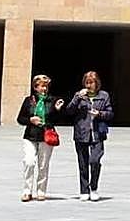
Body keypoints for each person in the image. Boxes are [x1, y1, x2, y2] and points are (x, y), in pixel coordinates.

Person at [15, 74, 65, 202]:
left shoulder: (53, 100)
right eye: (41, 86)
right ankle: (27, 191)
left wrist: (57, 110)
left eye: (46, 86)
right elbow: (20, 119)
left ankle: (41, 191)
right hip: (30, 135)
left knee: (43, 165)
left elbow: (57, 120)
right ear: (35, 87)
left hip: (46, 136)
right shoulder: (28, 101)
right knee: (29, 161)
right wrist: (31, 120)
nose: (44, 89)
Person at [67, 70, 113, 202]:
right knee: (82, 163)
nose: (89, 85)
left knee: (94, 160)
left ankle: (93, 188)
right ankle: (84, 190)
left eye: (91, 82)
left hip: (98, 133)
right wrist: (76, 98)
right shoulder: (79, 96)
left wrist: (99, 114)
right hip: (81, 133)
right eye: (86, 82)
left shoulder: (104, 96)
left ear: (96, 83)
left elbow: (110, 114)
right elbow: (69, 111)